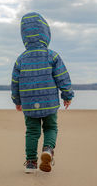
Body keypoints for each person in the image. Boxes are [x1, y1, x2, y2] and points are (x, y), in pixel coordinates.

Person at [11, 12, 74, 173]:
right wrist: (67, 95)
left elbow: (15, 82)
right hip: (49, 101)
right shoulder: (51, 55)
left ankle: (31, 163)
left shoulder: (21, 59)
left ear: (24, 36)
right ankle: (47, 150)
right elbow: (62, 77)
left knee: (32, 131)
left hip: (29, 103)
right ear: (46, 34)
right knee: (51, 127)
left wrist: (17, 100)